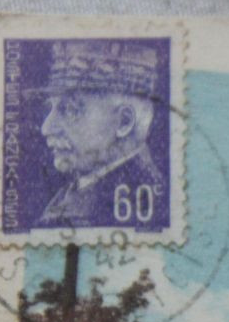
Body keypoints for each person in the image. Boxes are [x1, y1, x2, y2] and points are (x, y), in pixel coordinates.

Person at [33, 40, 167, 227]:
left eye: (71, 110)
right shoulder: (75, 192)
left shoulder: (143, 201)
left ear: (124, 122)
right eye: (51, 108)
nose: (46, 128)